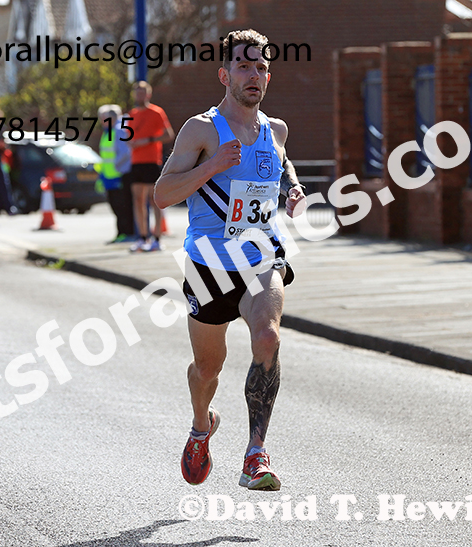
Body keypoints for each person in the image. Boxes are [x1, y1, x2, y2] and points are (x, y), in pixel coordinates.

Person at [154, 29, 306, 491]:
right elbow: (162, 195)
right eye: (244, 66)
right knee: (208, 369)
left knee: (268, 337)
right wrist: (212, 166)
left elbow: (280, 161)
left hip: (261, 258)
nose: (254, 74)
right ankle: (202, 427)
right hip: (208, 266)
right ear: (224, 75)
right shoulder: (201, 129)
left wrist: (291, 188)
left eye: (261, 67)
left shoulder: (275, 129)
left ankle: (254, 455)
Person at [125, 80, 174, 252]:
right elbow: (129, 137)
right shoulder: (131, 114)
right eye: (137, 92)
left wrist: (149, 140)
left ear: (148, 94)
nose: (139, 95)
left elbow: (168, 134)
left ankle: (157, 238)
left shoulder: (156, 112)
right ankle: (142, 237)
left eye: (142, 91)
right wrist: (132, 143)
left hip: (152, 161)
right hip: (136, 161)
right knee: (138, 200)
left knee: (155, 200)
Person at [95, 104, 132, 243]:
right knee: (115, 206)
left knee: (121, 206)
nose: (101, 122)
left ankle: (126, 232)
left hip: (118, 175)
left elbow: (125, 153)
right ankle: (120, 233)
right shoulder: (108, 131)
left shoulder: (118, 130)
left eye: (103, 119)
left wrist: (117, 167)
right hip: (109, 176)